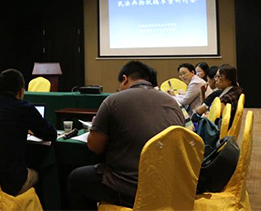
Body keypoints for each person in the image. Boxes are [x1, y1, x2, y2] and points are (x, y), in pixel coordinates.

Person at [68, 60, 185, 210]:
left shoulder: (114, 100)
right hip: (170, 187)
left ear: (125, 79)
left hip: (131, 188)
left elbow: (94, 146)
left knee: (76, 178)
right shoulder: (173, 103)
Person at [0, 69, 57, 196]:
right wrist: (32, 130)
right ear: (21, 91)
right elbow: (51, 134)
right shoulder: (24, 108)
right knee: (38, 174)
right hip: (10, 180)